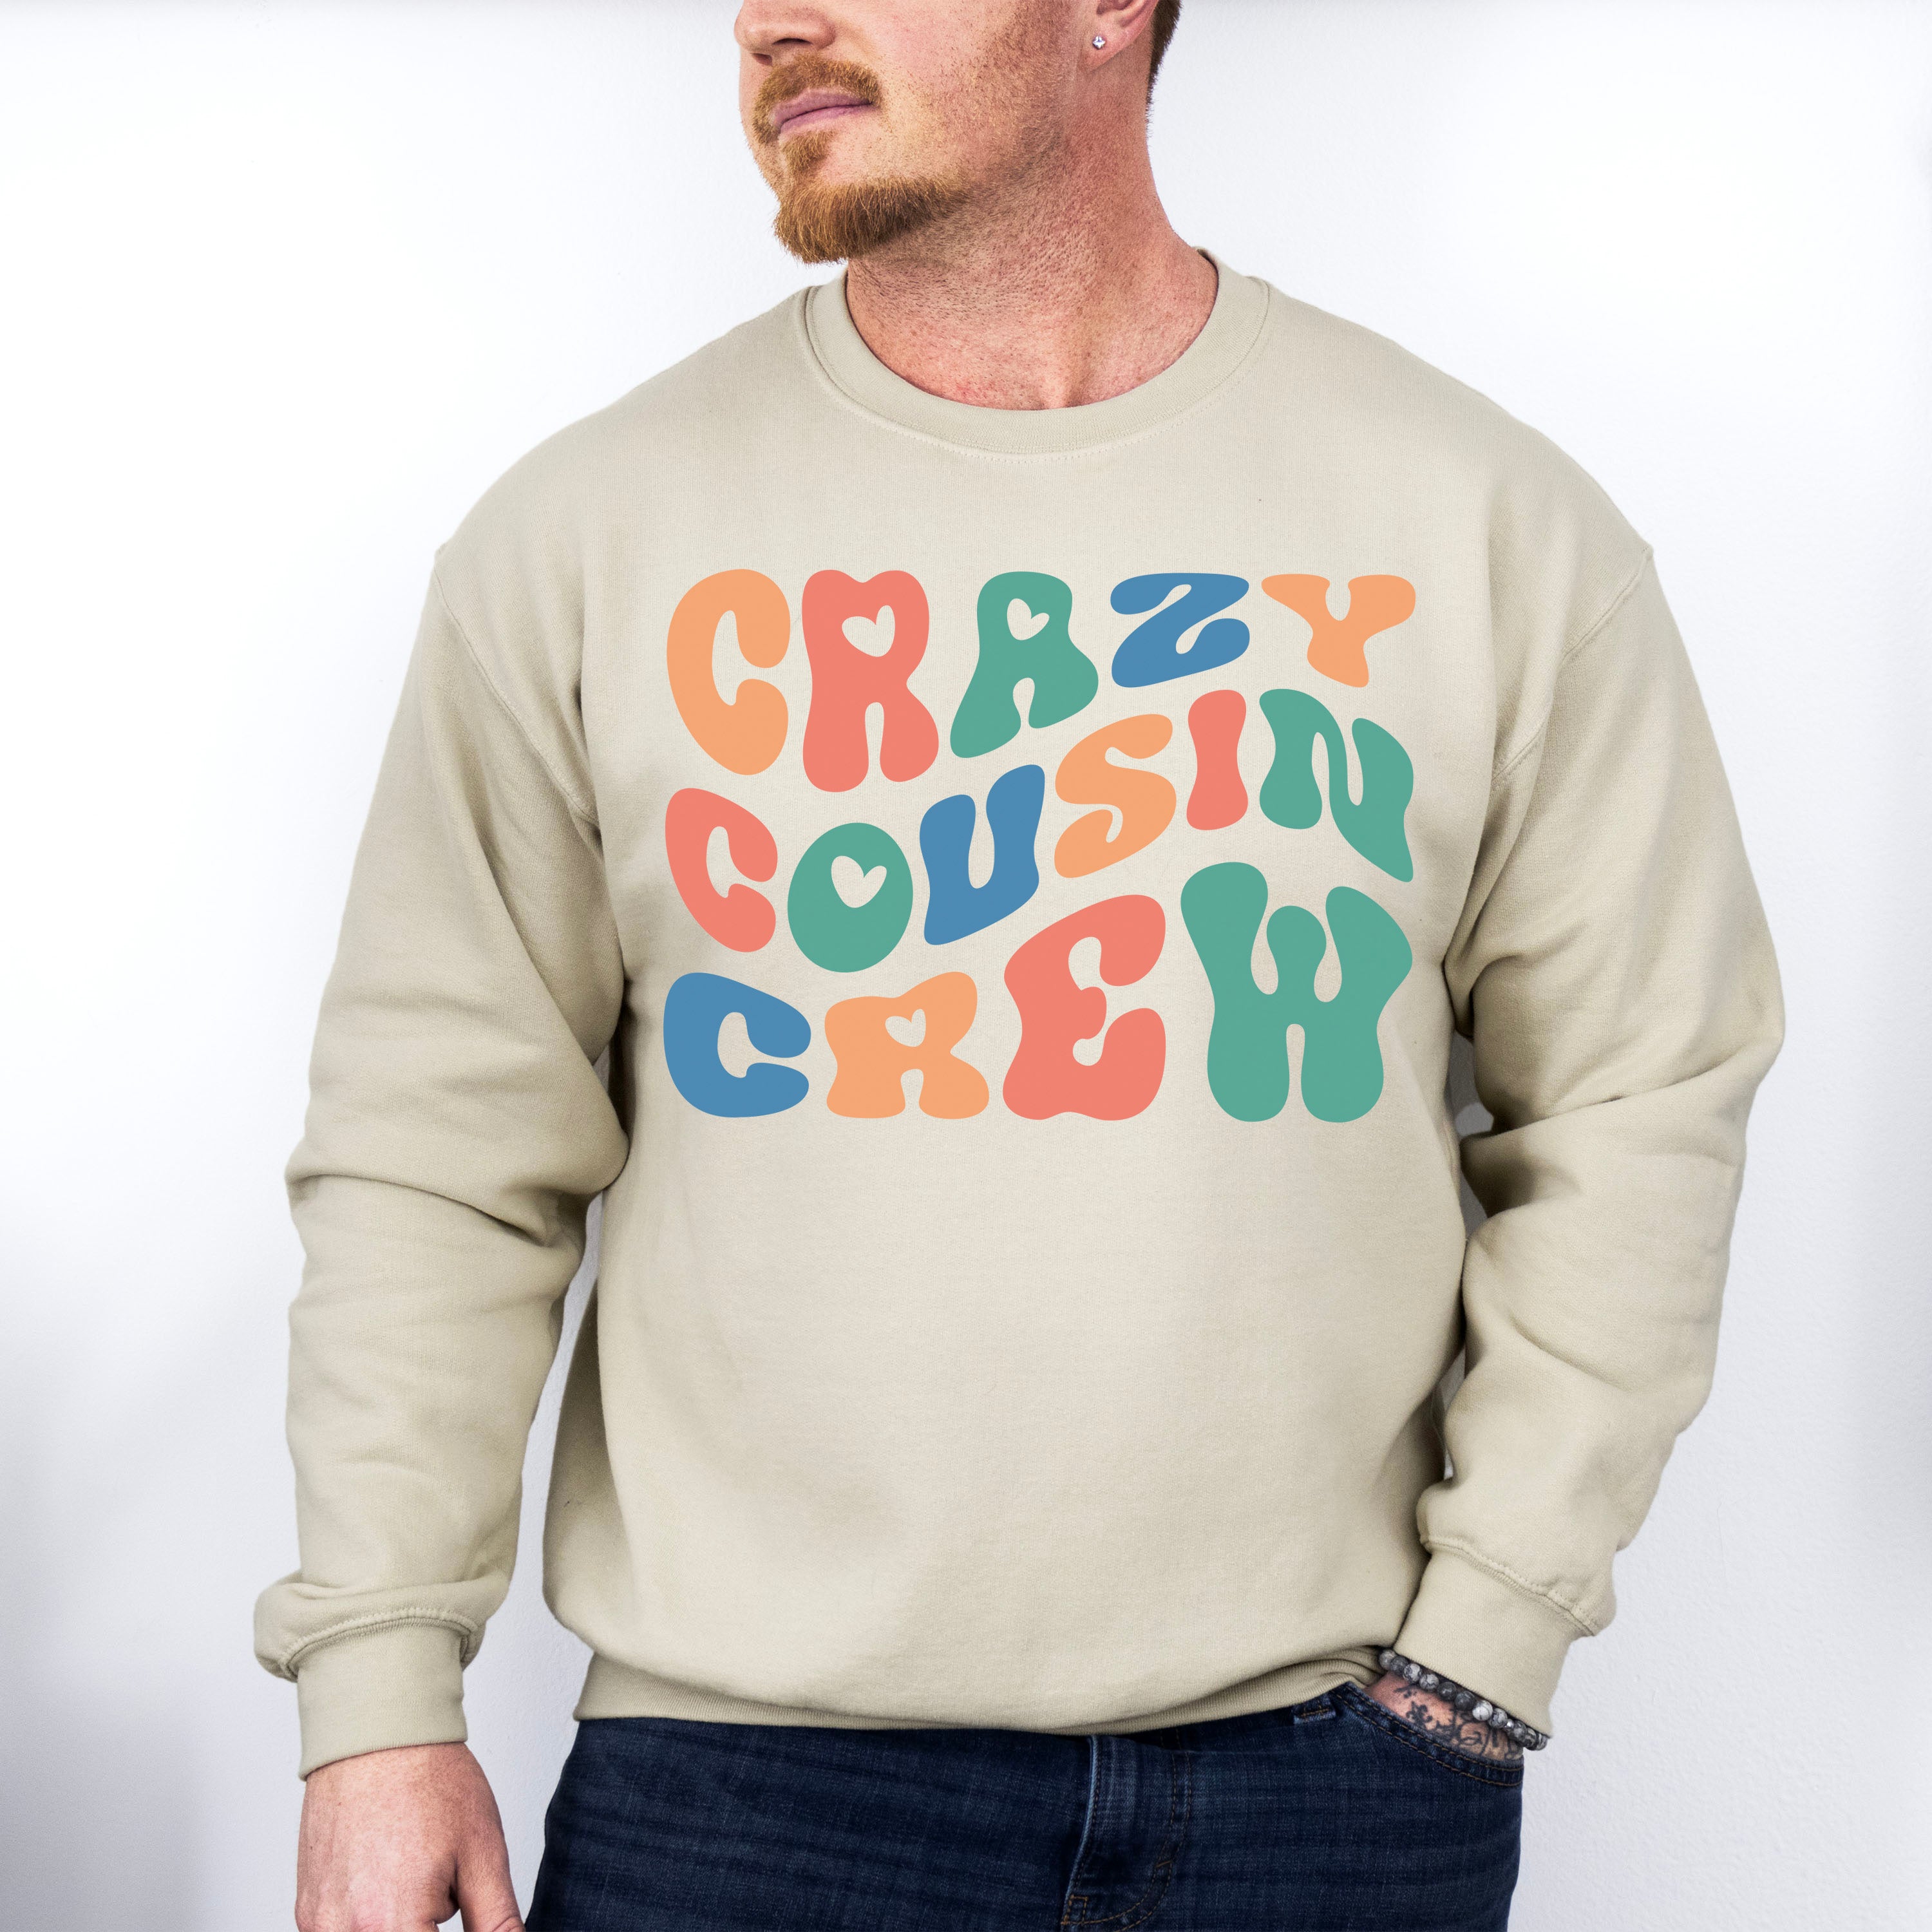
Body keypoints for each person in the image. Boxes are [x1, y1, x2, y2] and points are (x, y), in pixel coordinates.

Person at [258, 2, 1784, 1927]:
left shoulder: (1488, 527)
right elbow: (438, 1152)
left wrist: (1486, 1644)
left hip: (1331, 1791)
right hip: (748, 1798)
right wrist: (378, 1696)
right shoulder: (581, 540)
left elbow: (1642, 1099)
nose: (770, 18)